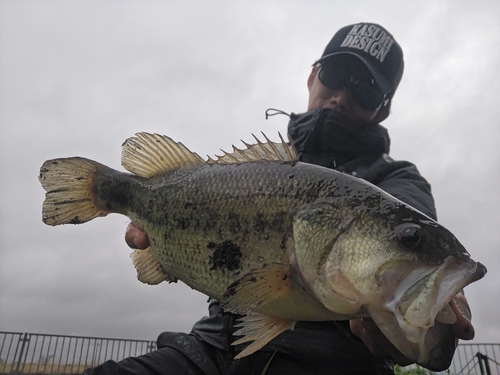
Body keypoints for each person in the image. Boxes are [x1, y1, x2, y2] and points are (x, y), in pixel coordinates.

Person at [83, 22, 475, 375]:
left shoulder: (398, 181)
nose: (341, 95)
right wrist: (172, 252)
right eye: (336, 74)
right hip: (214, 345)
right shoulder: (253, 172)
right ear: (312, 78)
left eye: (367, 90)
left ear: (383, 110)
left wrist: (407, 320)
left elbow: (406, 269)